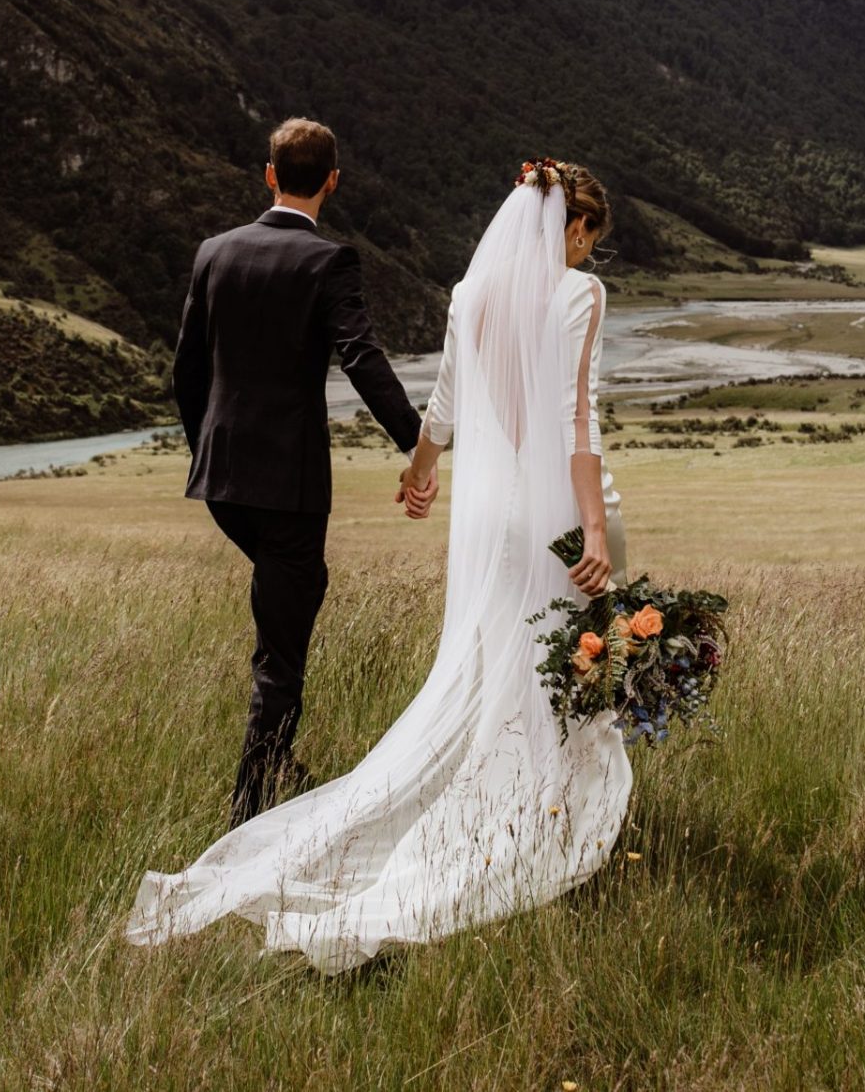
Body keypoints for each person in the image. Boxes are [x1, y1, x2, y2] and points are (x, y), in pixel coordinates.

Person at [128, 159, 630, 972]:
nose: (585, 254)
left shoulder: (471, 295)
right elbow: (581, 423)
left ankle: (503, 805)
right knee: (564, 662)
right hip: (558, 512)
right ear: (572, 227)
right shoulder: (581, 296)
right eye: (587, 239)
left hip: (490, 519)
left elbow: (446, 405)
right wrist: (597, 530)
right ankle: (543, 821)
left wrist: (422, 469)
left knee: (489, 668)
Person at [169, 117, 424, 829]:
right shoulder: (329, 261)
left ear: (269, 173)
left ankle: (280, 763)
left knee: (289, 595)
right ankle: (249, 808)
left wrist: (206, 454)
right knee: (282, 648)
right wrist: (418, 441)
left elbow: (185, 373)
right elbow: (362, 357)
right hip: (288, 488)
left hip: (223, 484)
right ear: (334, 181)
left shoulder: (214, 252)